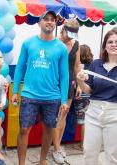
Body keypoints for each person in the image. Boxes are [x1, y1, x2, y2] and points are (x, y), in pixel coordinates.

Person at [11, 11, 69, 165]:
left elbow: (64, 76)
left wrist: (64, 100)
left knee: (49, 130)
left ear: (55, 23)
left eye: (52, 20)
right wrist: (15, 91)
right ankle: (21, 163)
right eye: (45, 19)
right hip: (29, 95)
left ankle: (42, 160)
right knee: (23, 130)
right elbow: (19, 68)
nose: (49, 22)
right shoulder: (28, 43)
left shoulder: (61, 48)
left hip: (52, 97)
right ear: (39, 23)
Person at [77, 29, 117, 165]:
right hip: (93, 113)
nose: (113, 44)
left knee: (112, 156)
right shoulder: (96, 64)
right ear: (105, 46)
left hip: (114, 116)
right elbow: (88, 90)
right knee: (89, 153)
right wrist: (80, 81)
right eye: (110, 42)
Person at [52, 19, 81, 164]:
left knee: (63, 115)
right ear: (62, 29)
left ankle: (57, 146)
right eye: (68, 34)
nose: (69, 37)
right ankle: (56, 149)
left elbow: (77, 67)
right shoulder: (54, 43)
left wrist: (80, 85)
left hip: (70, 83)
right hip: (54, 83)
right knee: (55, 116)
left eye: (72, 35)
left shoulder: (76, 44)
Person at [74, 44, 93, 150]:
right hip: (88, 95)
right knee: (85, 121)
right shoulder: (92, 65)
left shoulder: (79, 65)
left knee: (83, 121)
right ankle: (83, 144)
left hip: (80, 94)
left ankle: (82, 145)